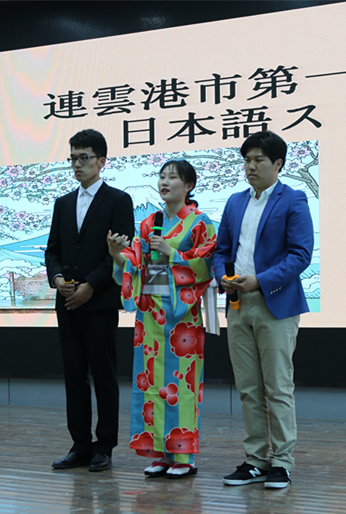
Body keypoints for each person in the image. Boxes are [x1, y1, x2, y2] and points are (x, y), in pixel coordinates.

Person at [212, 131, 314, 489]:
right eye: (247, 160)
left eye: (258, 160)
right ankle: (256, 459)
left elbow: (301, 254)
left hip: (275, 302)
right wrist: (222, 276)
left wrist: (260, 280)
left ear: (278, 164)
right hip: (237, 303)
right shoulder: (235, 202)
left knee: (278, 386)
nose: (250, 166)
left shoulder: (293, 199)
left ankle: (282, 462)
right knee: (248, 388)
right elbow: (221, 251)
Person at [107, 159, 216, 479]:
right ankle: (158, 453)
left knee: (181, 384)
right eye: (162, 176)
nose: (165, 182)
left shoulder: (200, 223)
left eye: (173, 178)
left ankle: (184, 456)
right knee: (150, 383)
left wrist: (173, 253)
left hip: (182, 314)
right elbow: (133, 261)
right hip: (150, 312)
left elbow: (206, 264)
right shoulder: (150, 222)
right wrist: (116, 254)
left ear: (189, 186)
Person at [45, 128, 134, 472]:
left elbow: (121, 252)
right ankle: (80, 445)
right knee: (74, 375)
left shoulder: (118, 200)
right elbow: (52, 251)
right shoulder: (63, 203)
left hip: (99, 301)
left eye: (84, 158)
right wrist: (57, 279)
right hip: (67, 301)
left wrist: (91, 286)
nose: (77, 165)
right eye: (73, 159)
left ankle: (104, 446)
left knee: (103, 373)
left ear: (101, 161)